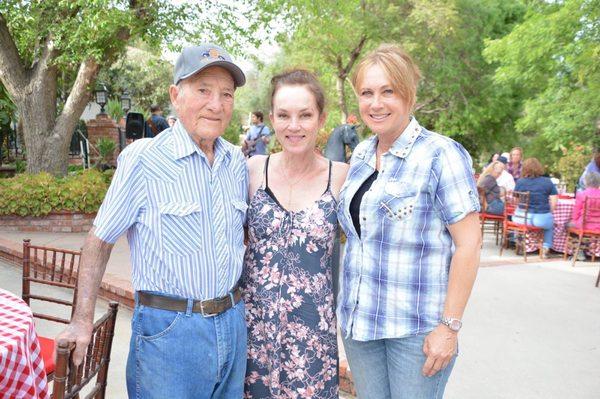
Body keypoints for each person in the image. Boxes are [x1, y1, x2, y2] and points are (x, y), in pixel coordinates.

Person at [56, 43, 249, 398]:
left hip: (232, 324)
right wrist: (81, 321)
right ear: (176, 95)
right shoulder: (144, 160)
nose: (216, 104)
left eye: (226, 94)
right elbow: (99, 241)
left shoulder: (235, 162)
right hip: (170, 330)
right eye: (203, 90)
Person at [336, 44, 481, 399]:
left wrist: (449, 327)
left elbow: (469, 244)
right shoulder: (362, 155)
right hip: (361, 326)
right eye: (367, 93)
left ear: (409, 95)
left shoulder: (441, 154)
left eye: (388, 91)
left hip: (416, 331)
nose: (376, 103)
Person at [240, 69, 349, 398]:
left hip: (312, 339)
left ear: (321, 118)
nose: (294, 126)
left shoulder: (342, 177)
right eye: (284, 115)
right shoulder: (252, 171)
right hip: (252, 333)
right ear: (272, 118)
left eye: (305, 115)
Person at [513, 157, 558, 258]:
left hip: (523, 218)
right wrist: (549, 211)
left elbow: (516, 200)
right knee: (549, 226)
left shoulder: (520, 182)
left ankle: (520, 243)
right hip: (541, 218)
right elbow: (555, 200)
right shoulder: (547, 181)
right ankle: (545, 247)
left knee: (517, 218)